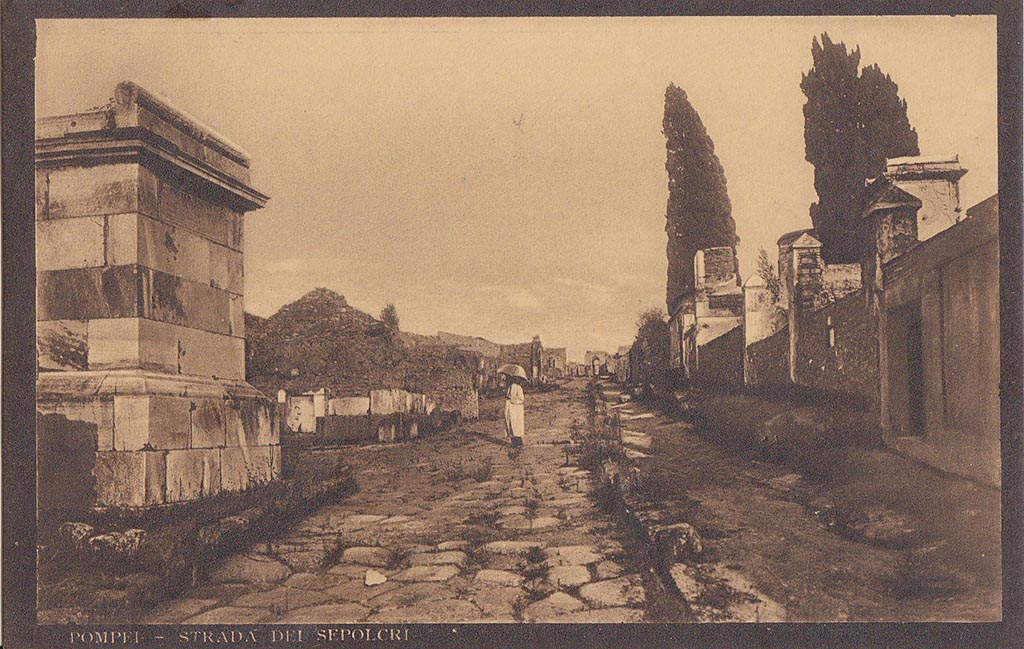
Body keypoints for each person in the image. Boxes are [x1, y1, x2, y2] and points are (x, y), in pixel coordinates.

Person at [503, 373, 525, 447]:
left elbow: (521, 399)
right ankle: (513, 441)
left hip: (516, 409)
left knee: (516, 425)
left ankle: (518, 442)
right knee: (510, 423)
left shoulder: (518, 388)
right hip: (510, 408)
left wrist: (511, 399)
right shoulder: (510, 387)